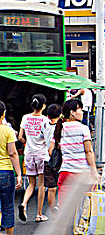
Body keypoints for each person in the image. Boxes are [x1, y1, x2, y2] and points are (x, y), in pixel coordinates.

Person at [49, 100, 98, 206]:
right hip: (82, 173)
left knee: (65, 210)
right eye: (79, 109)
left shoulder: (59, 129)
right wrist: (94, 171)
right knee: (83, 210)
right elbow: (88, 151)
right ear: (72, 112)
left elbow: (51, 150)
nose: (82, 112)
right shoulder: (84, 129)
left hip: (65, 173)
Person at [18, 94, 49, 222]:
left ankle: (24, 203)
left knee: (31, 183)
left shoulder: (25, 118)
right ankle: (39, 214)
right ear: (43, 106)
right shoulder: (45, 120)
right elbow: (47, 140)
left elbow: (20, 137)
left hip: (29, 153)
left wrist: (26, 142)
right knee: (41, 184)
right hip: (41, 154)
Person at [0, 100, 22, 235]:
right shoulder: (8, 130)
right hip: (6, 172)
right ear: (3, 114)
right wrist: (19, 174)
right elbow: (13, 153)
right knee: (8, 206)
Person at [41, 104, 62, 211]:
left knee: (51, 189)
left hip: (47, 160)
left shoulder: (45, 125)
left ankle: (53, 214)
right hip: (59, 160)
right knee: (62, 187)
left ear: (48, 116)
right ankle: (59, 206)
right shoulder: (61, 127)